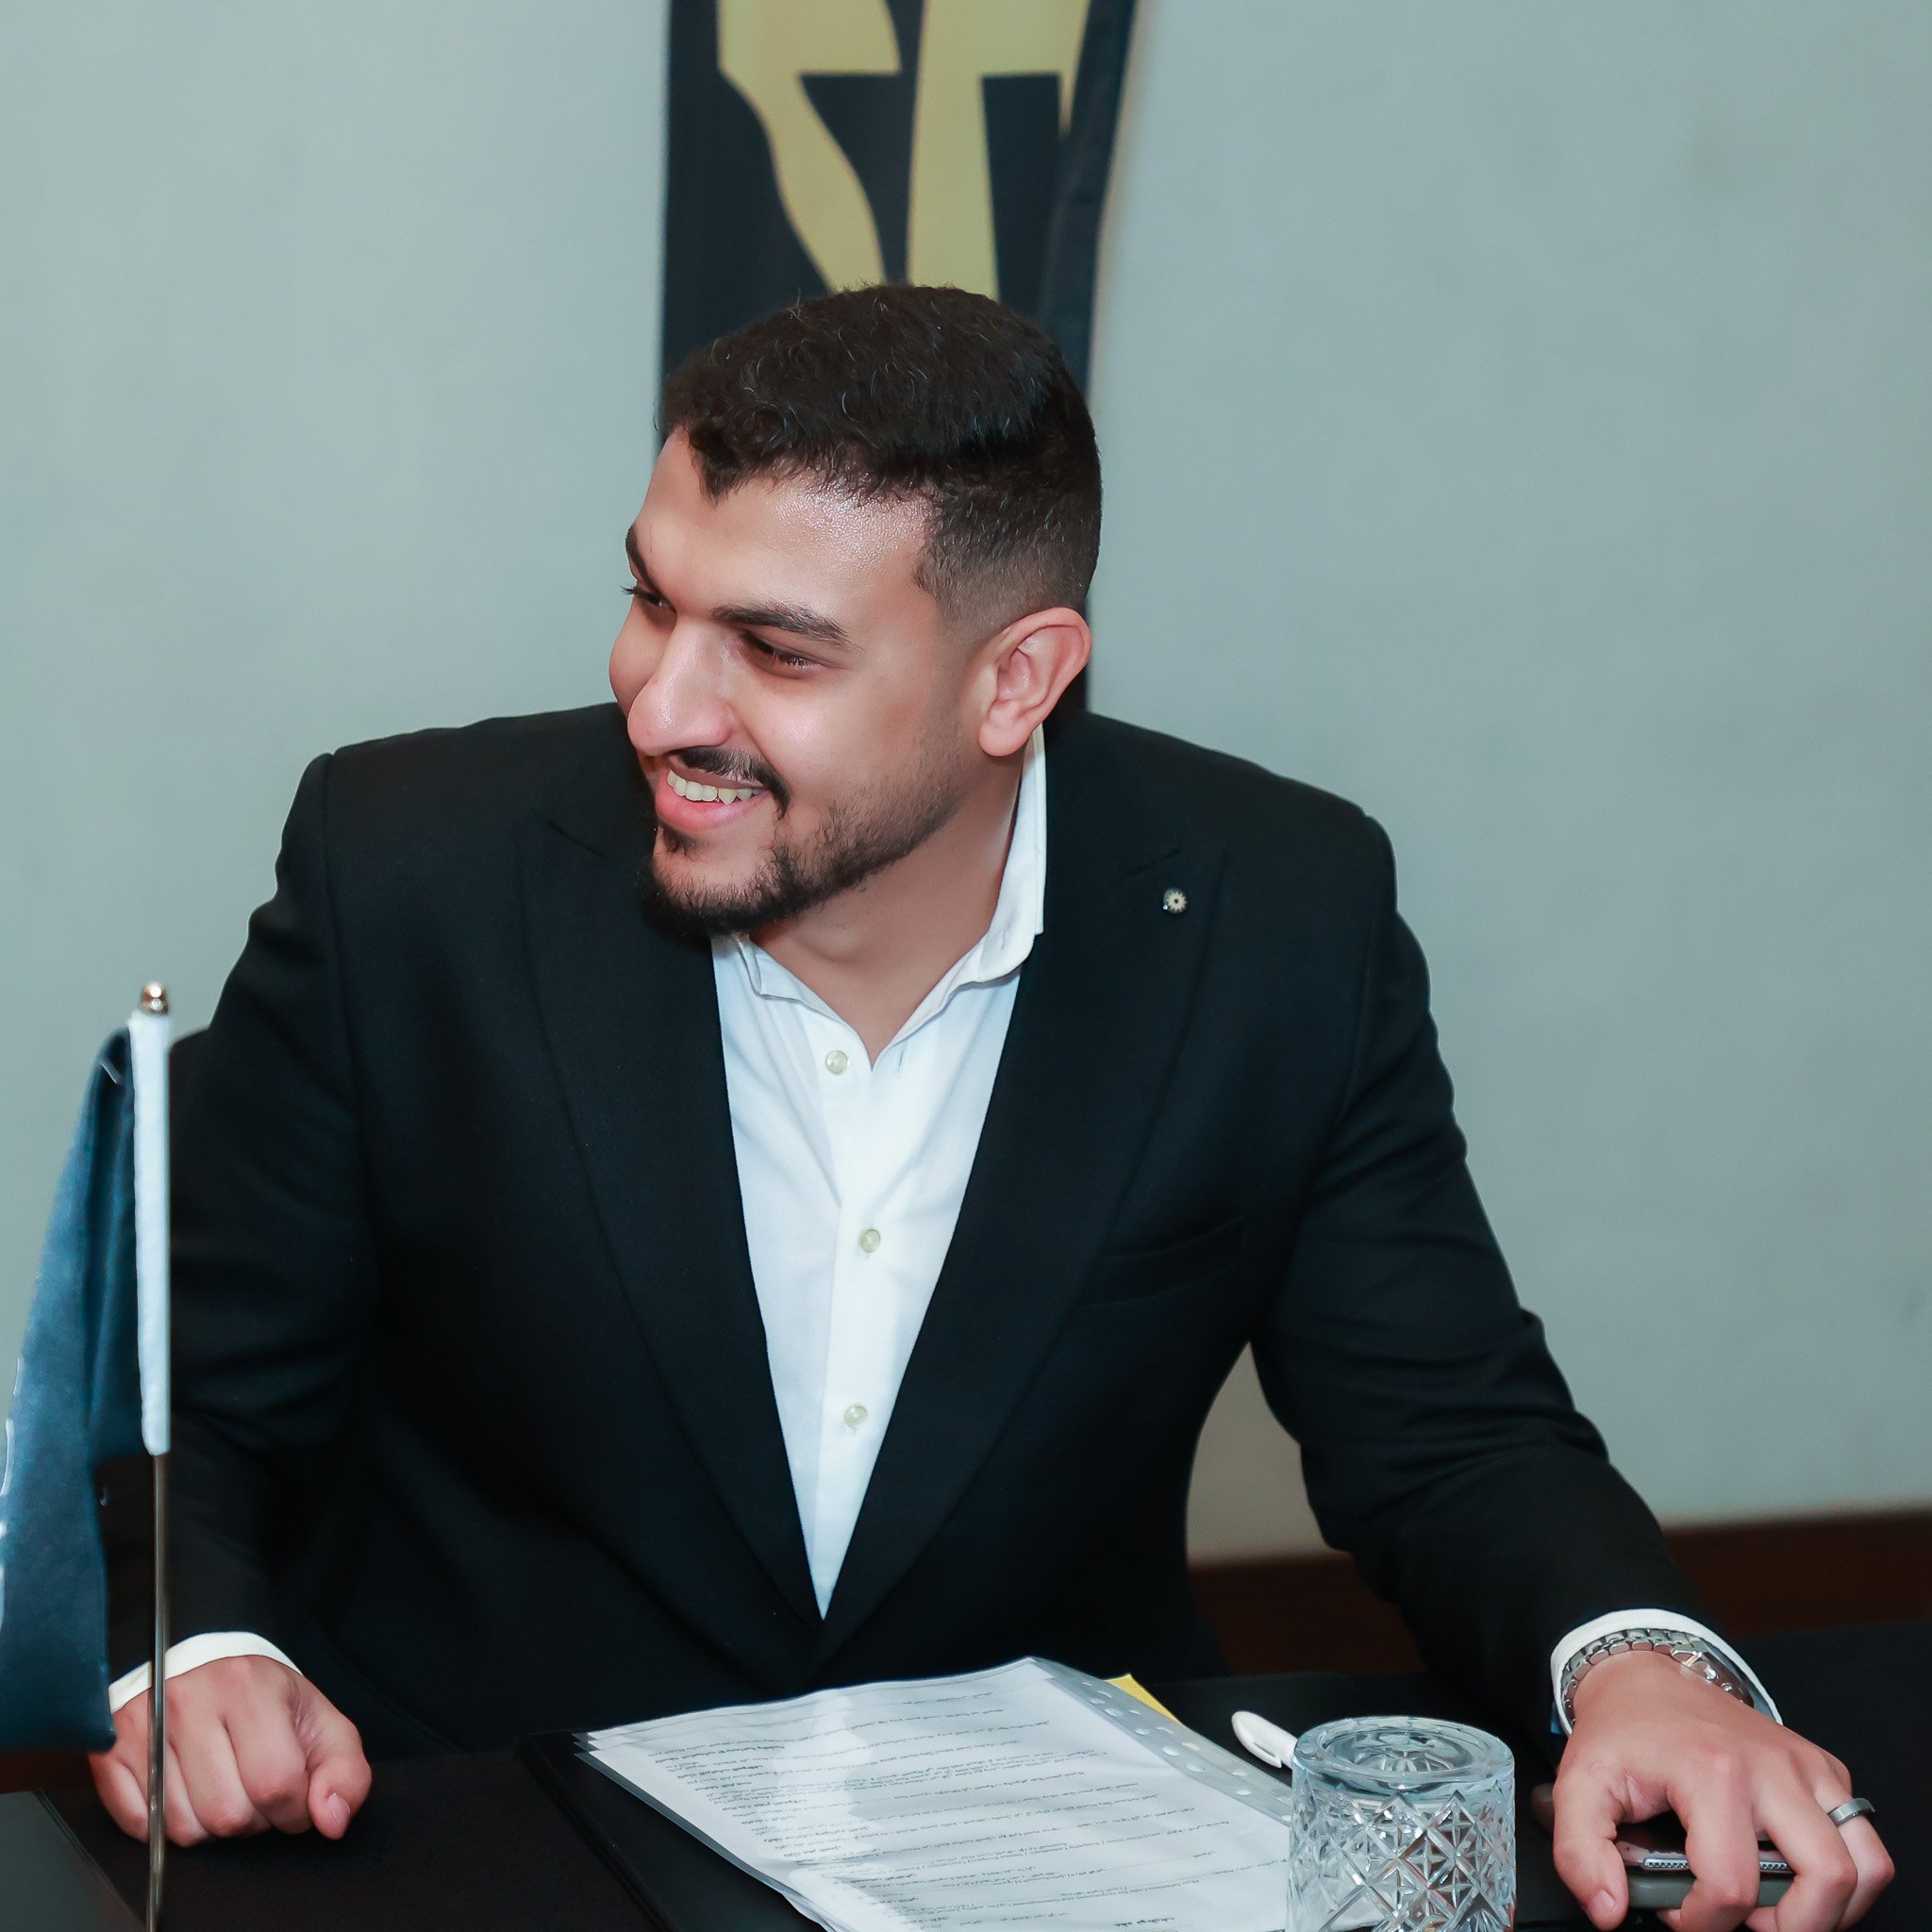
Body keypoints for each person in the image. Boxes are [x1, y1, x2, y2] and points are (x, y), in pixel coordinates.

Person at [91, 285, 1889, 1929]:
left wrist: (1647, 1668)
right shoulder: (412, 873)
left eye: (775, 653)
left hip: (1047, 1870)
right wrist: (189, 1652)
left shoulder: (1273, 916)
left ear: (1015, 679)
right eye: (652, 596)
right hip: (486, 1838)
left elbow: (1452, 1432)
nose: (659, 698)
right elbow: (179, 1400)